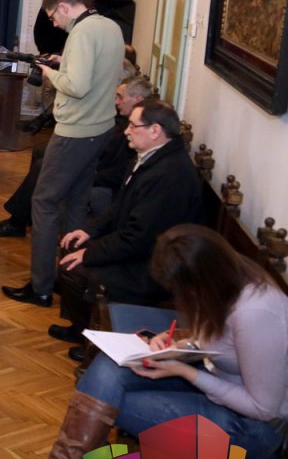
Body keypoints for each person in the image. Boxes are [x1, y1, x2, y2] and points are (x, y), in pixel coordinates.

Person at [0, 225, 288, 459]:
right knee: (107, 370)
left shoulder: (257, 313)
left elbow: (264, 409)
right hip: (218, 390)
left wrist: (185, 371)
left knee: (101, 407)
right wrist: (178, 342)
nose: (182, 299)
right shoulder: (229, 283)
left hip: (249, 428)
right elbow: (223, 343)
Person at [49, 99, 203, 358]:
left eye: (133, 126)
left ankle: (93, 340)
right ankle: (81, 329)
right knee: (70, 245)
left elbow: (138, 238)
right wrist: (89, 231)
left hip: (157, 265)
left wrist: (90, 254)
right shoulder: (150, 158)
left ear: (155, 131)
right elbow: (119, 205)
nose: (126, 131)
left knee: (74, 268)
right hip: (139, 248)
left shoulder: (170, 175)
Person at [2, 0, 123, 308]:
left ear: (64, 7)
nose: (54, 24)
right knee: (75, 204)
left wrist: (50, 73)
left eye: (53, 16)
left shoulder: (81, 33)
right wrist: (63, 62)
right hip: (101, 127)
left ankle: (41, 286)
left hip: (75, 130)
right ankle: (68, 279)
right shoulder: (110, 26)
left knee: (43, 202)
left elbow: (77, 86)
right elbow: (99, 72)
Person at [0, 75, 151, 239]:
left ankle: (18, 222)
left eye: (120, 97)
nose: (116, 101)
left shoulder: (139, 130)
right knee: (43, 155)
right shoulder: (123, 118)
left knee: (43, 166)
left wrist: (86, 172)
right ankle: (26, 216)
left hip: (101, 178)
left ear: (137, 99)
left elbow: (121, 171)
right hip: (93, 163)